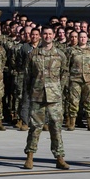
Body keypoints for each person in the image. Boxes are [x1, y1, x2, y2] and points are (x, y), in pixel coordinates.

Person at [22, 26, 70, 170]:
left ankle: (59, 157)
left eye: (50, 34)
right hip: (37, 96)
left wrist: (58, 89)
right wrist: (30, 92)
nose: (47, 36)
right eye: (45, 34)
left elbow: (64, 74)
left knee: (56, 127)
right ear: (41, 36)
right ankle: (29, 157)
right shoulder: (33, 55)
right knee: (35, 127)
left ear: (54, 35)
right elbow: (27, 75)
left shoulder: (60, 55)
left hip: (54, 97)